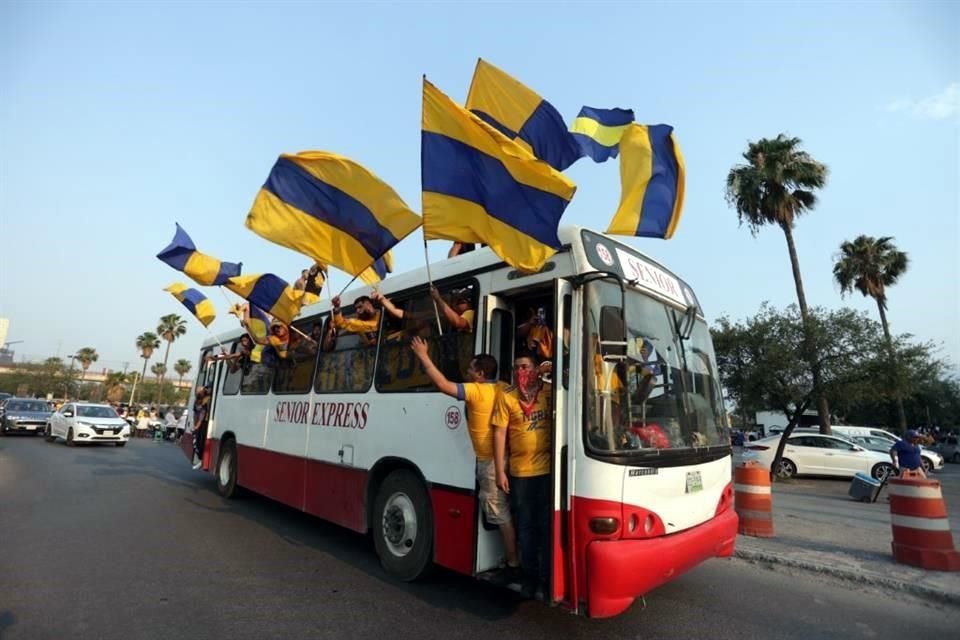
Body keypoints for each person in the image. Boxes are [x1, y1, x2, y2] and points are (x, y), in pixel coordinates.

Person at [410, 337, 520, 580]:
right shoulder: (503, 387)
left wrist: (423, 355)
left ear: (480, 374)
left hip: (490, 462)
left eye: (471, 369)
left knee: (500, 513)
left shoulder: (475, 391)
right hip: (508, 458)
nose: (467, 372)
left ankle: (513, 562)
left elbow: (442, 384)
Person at [492, 351, 553, 599]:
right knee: (526, 527)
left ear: (537, 369)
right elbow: (499, 434)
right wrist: (499, 471)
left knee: (546, 526)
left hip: (548, 472)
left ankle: (547, 579)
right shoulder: (507, 397)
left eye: (526, 366)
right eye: (517, 367)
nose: (521, 371)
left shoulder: (550, 392)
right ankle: (529, 578)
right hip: (520, 474)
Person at [192, 387, 211, 469]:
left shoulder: (206, 402)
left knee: (201, 442)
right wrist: (195, 425)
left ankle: (201, 459)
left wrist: (196, 426)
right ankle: (199, 459)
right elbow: (195, 414)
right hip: (199, 423)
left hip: (204, 423)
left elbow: (201, 417)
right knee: (198, 442)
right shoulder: (196, 402)